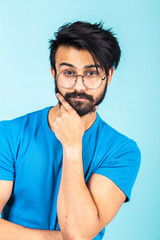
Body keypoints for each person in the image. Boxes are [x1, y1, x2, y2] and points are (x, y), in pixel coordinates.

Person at [0, 21, 141, 240]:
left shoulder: (122, 151)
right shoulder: (8, 134)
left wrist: (73, 145)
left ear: (109, 77)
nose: (79, 85)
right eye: (68, 72)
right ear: (53, 73)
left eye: (91, 73)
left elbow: (77, 233)